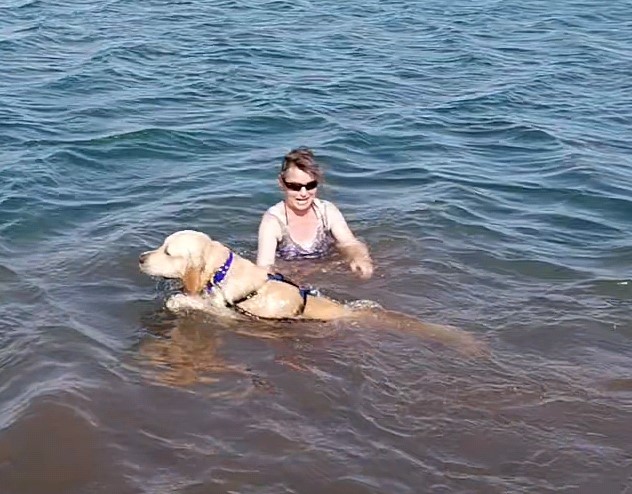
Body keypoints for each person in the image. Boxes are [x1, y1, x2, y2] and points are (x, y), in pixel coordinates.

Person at [256, 147, 373, 279]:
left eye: (310, 185)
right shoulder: (273, 221)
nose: (304, 193)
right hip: (292, 279)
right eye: (295, 186)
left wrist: (359, 258)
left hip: (326, 275)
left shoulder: (326, 211)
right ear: (281, 183)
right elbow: (265, 267)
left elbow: (349, 243)